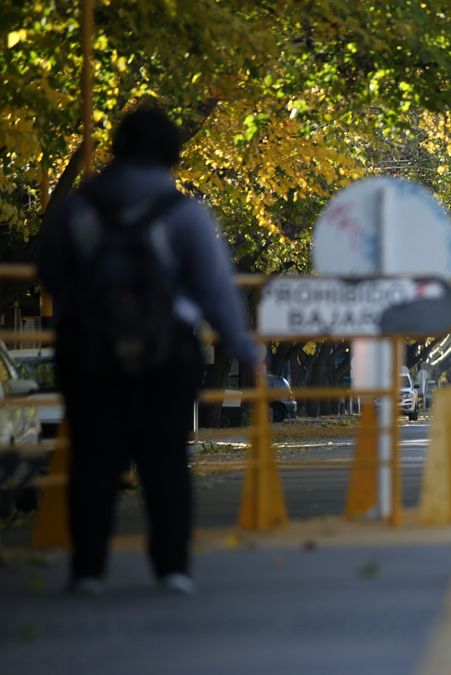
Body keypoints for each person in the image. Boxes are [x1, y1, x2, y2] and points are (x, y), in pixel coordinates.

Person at [37, 107, 260, 596]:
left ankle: (89, 570)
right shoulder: (183, 213)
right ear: (172, 155)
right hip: (167, 351)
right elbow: (215, 289)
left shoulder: (78, 207)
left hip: (88, 347)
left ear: (116, 147)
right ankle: (172, 569)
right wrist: (243, 346)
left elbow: (50, 269)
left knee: (93, 456)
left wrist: (86, 308)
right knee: (164, 457)